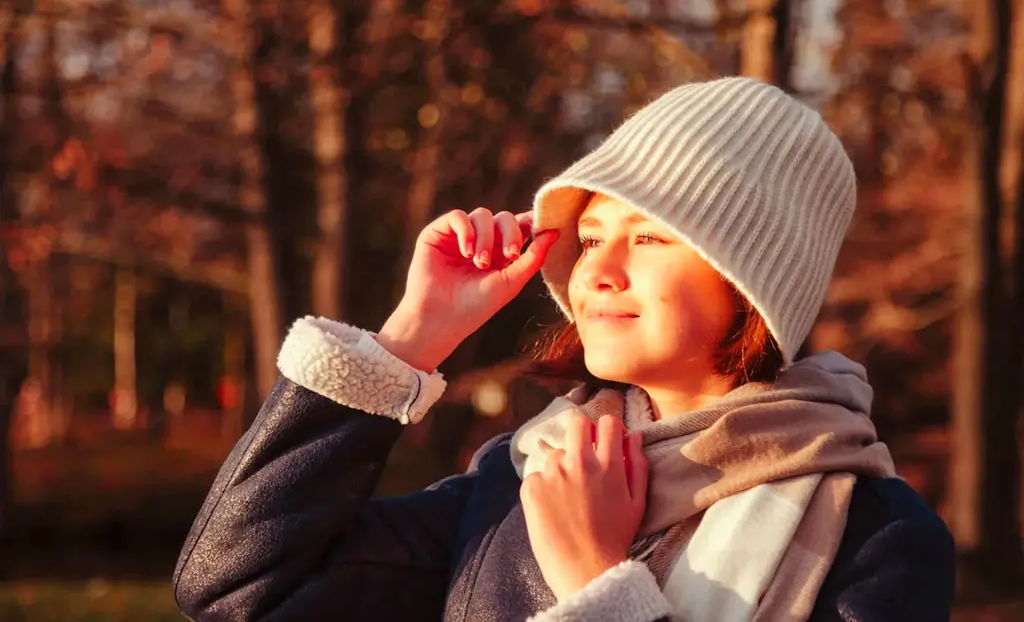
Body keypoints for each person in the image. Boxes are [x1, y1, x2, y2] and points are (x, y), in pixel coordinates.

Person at [173, 77, 955, 622]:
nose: (599, 271)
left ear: (753, 277)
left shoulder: (877, 539)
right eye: (588, 238)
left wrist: (595, 582)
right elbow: (240, 587)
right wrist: (410, 339)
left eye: (649, 236)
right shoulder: (526, 475)